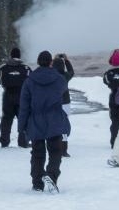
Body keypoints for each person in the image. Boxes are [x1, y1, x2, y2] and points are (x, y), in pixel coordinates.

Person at [19, 50, 70, 193]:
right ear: (50, 62)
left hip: (36, 118)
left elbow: (24, 105)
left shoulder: (29, 80)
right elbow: (63, 89)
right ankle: (51, 175)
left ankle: (37, 183)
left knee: (37, 152)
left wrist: (21, 126)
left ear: (38, 61)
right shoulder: (59, 79)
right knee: (56, 150)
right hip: (54, 118)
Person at [0, 47, 30, 148]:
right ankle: (23, 141)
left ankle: (4, 141)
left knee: (6, 118)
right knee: (23, 118)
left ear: (11, 55)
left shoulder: (4, 68)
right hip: (22, 96)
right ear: (19, 55)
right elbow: (30, 81)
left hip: (8, 95)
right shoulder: (25, 68)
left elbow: (0, 80)